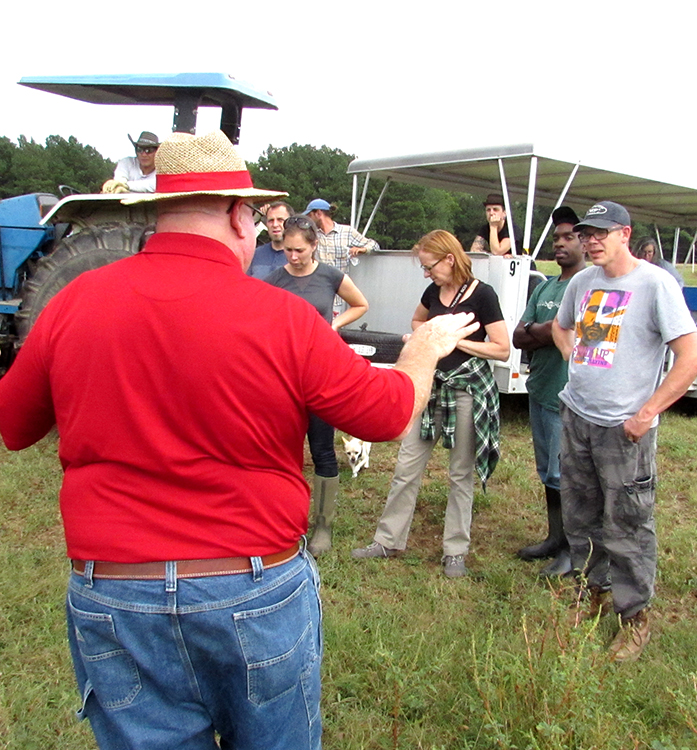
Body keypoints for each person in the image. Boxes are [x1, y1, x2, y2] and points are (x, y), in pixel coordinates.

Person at [0, 129, 479, 750]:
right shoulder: (281, 317)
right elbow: (384, 415)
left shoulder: (73, 303)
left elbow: (14, 427)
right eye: (255, 217)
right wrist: (420, 354)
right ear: (236, 213)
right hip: (249, 583)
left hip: (115, 587)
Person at [552, 201, 697, 661]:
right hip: (578, 417)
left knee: (629, 525)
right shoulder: (582, 282)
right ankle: (591, 595)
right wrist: (573, 363)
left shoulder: (655, 284)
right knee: (580, 518)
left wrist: (647, 412)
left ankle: (634, 619)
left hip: (626, 430)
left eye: (601, 233)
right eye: (585, 233)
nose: (591, 241)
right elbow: (562, 330)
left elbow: (692, 357)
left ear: (625, 234)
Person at [352, 230, 510, 577]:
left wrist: (454, 341)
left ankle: (455, 550)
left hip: (466, 391)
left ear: (449, 259)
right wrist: (426, 338)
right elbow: (417, 320)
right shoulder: (433, 292)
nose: (427, 274)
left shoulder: (484, 295)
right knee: (406, 467)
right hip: (430, 389)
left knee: (460, 474)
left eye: (429, 266)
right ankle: (387, 540)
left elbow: (502, 348)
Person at [265, 214, 370, 556]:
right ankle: (283, 522)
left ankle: (322, 526)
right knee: (283, 453)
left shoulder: (329, 275)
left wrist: (334, 324)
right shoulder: (275, 280)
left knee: (322, 449)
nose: (292, 257)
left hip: (320, 374)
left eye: (299, 250)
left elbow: (361, 304)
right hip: (283, 376)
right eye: (287, 250)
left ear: (314, 246)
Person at [512, 206, 586, 577]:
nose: (560, 244)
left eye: (568, 237)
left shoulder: (590, 285)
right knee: (548, 472)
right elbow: (517, 335)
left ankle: (575, 551)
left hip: (568, 396)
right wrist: (550, 330)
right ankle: (555, 538)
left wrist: (540, 332)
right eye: (556, 238)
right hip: (540, 389)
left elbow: (580, 339)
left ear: (585, 242)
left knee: (566, 475)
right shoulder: (545, 286)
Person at [305, 199, 380, 314]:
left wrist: (362, 249)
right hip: (316, 291)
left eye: (310, 215)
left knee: (333, 327)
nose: (308, 220)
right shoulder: (311, 234)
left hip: (338, 294)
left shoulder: (347, 231)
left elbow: (374, 245)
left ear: (318, 213)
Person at [248, 201, 295, 279]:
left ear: (291, 223)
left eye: (280, 220)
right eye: (271, 220)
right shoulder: (255, 255)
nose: (275, 225)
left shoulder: (298, 256)